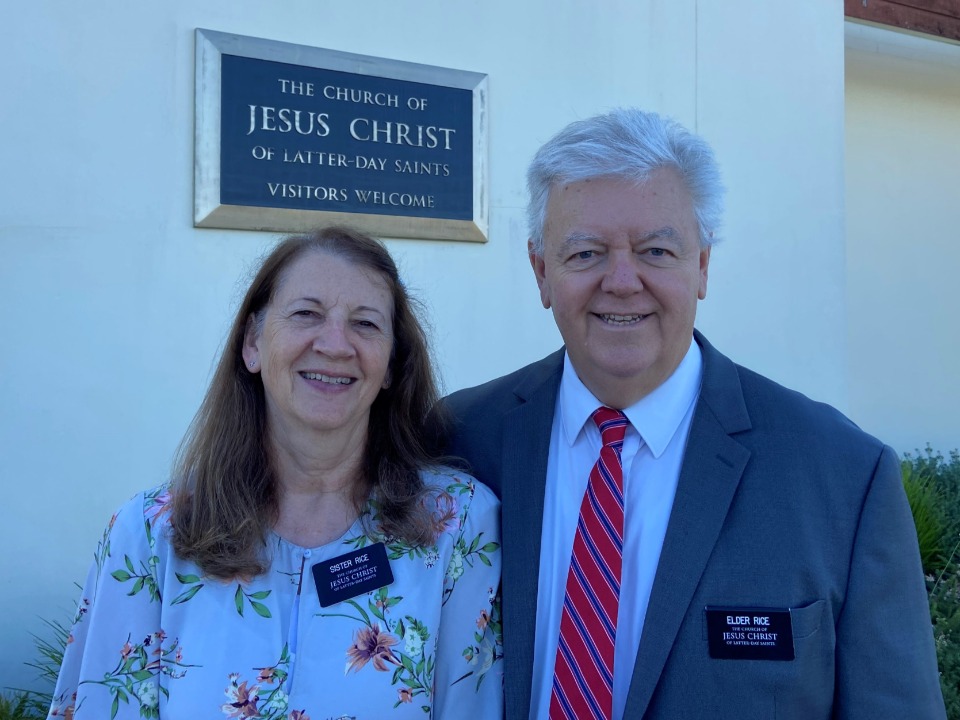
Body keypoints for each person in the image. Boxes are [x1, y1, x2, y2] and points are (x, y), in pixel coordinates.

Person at [439, 109, 944, 720]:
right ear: (542, 271)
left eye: (656, 250)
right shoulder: (457, 441)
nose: (622, 281)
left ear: (702, 266)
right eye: (585, 253)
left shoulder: (843, 477)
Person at [49, 227, 502, 719]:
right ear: (252, 344)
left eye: (366, 324)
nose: (335, 344)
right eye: (306, 314)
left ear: (391, 364)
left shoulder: (457, 526)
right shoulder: (148, 536)